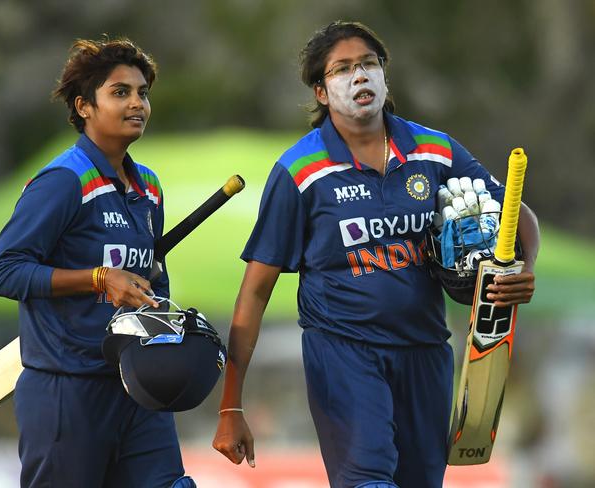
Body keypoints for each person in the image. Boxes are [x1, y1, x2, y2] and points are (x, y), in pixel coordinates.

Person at [212, 21, 539, 488]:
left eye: (368, 64)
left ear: (385, 76)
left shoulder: (434, 151)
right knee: (367, 480)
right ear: (322, 92)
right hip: (344, 351)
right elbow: (254, 294)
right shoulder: (300, 170)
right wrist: (231, 405)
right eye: (342, 69)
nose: (359, 76)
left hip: (426, 350)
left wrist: (522, 269)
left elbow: (516, 212)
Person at [0, 38, 195, 488]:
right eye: (120, 92)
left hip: (138, 385)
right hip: (67, 390)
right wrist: (98, 279)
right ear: (84, 106)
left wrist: (169, 326)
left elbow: (152, 276)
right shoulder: (63, 180)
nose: (137, 102)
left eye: (143, 92)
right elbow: (3, 271)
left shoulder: (150, 188)